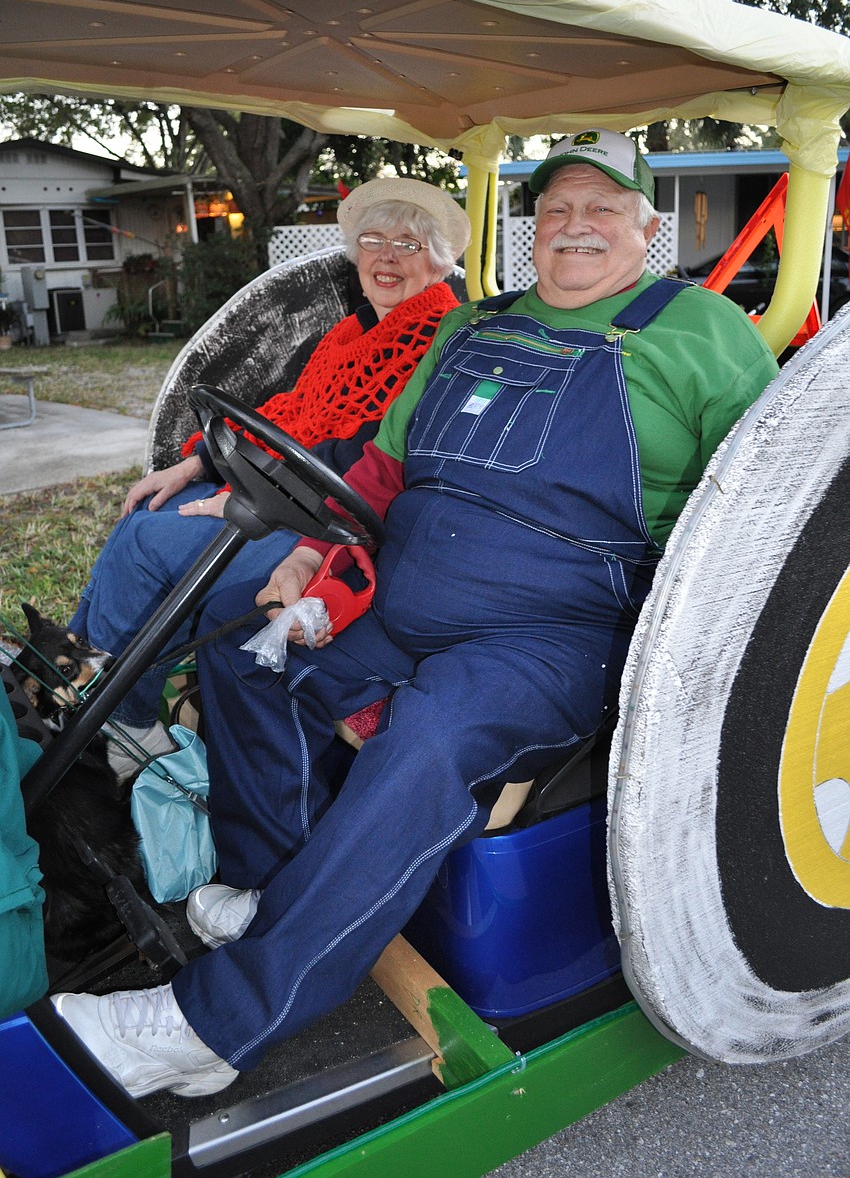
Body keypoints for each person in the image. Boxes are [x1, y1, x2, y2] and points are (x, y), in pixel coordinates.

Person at [52, 129, 779, 1098]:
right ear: (533, 229)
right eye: (556, 209)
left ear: (647, 228)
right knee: (242, 651)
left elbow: (768, 510)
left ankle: (211, 1027)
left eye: (601, 210)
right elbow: (381, 471)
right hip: (403, 587)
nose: (574, 227)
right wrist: (311, 557)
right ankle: (285, 892)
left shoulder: (702, 331)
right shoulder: (472, 326)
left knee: (429, 739)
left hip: (559, 629)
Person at [67, 178, 470, 773]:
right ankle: (82, 683)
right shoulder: (348, 334)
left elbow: (363, 457)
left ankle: (118, 725)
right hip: (288, 499)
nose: (386, 257)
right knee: (147, 517)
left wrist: (242, 491)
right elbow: (286, 416)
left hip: (341, 534)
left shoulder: (442, 337)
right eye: (373, 239)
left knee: (148, 540)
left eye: (408, 244)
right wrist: (196, 462)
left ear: (439, 260)